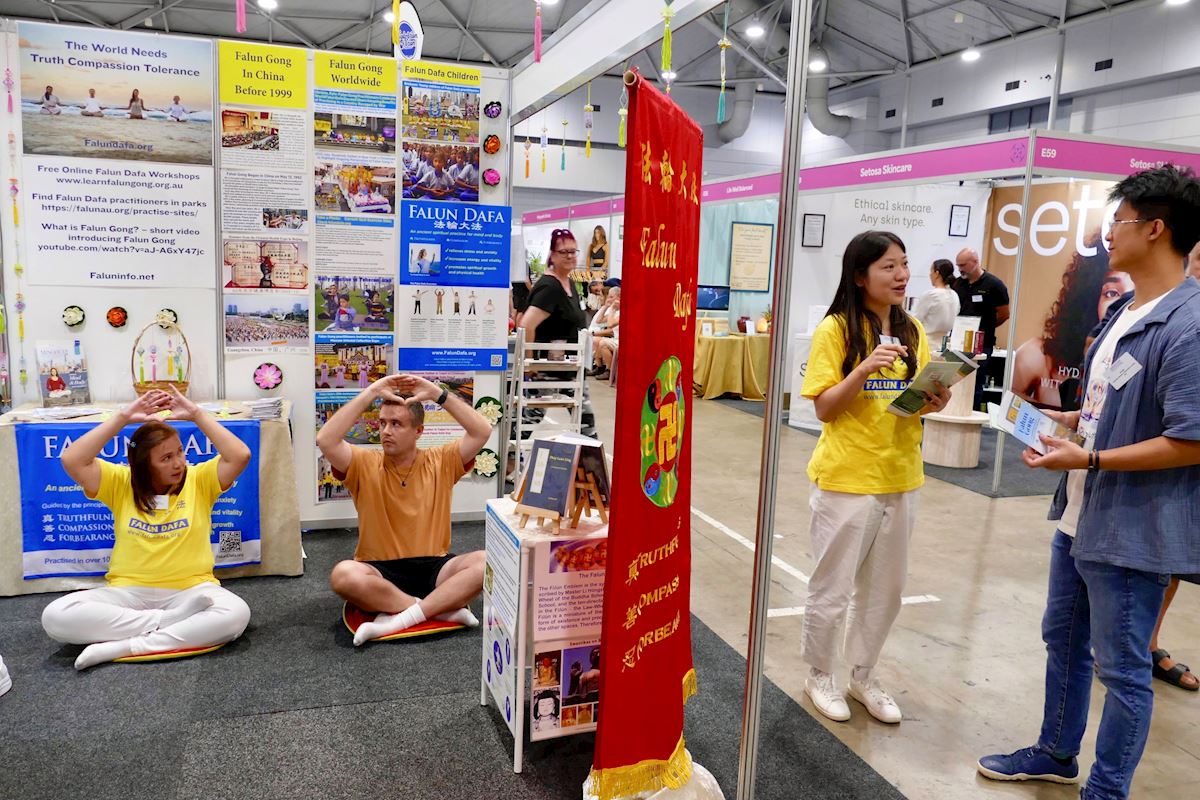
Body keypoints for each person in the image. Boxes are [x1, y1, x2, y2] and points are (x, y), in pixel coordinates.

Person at [978, 165, 1200, 797]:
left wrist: (1091, 460)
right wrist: (1073, 421)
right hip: (1083, 515)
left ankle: (1106, 790)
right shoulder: (1127, 309)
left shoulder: (1189, 325)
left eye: (1119, 220)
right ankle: (1056, 751)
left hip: (1132, 528)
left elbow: (1191, 439)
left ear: (1155, 229)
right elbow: (1119, 400)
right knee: (1064, 638)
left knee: (1122, 670)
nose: (1108, 232)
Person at [799, 230, 949, 725]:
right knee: (832, 588)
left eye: (904, 264)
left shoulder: (912, 329)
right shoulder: (836, 329)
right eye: (888, 266)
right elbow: (825, 408)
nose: (902, 274)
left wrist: (936, 398)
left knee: (886, 591)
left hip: (901, 475)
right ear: (860, 276)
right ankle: (820, 673)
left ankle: (863, 675)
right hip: (847, 478)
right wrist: (862, 370)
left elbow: (914, 402)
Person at [40, 388, 252, 670]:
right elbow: (72, 459)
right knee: (56, 616)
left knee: (236, 614)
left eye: (180, 452)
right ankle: (168, 624)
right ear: (144, 465)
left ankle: (125, 646)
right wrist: (124, 417)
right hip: (129, 594)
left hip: (191, 590)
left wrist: (196, 414)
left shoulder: (199, 479)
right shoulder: (120, 481)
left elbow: (240, 455)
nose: (179, 463)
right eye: (166, 458)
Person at [317, 373, 491, 645]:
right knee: (343, 576)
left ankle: (399, 619)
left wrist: (437, 393)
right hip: (379, 571)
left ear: (418, 431)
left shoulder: (441, 460)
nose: (386, 431)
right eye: (382, 423)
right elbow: (326, 439)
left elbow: (482, 431)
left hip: (434, 567)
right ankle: (435, 610)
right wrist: (372, 391)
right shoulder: (363, 462)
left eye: (396, 424)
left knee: (486, 562)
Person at [1011, 238, 1133, 410]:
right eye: (1111, 293)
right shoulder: (1037, 355)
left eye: (1134, 295)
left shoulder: (1138, 352)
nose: (1121, 306)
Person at [953, 247, 1010, 408]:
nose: (960, 269)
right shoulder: (958, 284)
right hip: (959, 341)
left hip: (982, 343)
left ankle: (972, 412)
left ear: (975, 262)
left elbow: (1004, 314)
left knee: (976, 383)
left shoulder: (994, 285)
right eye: (958, 265)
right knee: (955, 381)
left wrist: (986, 327)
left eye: (963, 265)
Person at [911, 259, 960, 348]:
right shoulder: (954, 295)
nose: (930, 275)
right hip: (945, 345)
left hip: (927, 344)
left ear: (936, 273)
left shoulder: (931, 295)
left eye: (931, 272)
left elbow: (916, 320)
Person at [588, 287, 620, 380]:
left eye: (611, 297)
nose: (609, 299)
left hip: (620, 340)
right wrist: (606, 306)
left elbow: (610, 325)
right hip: (615, 339)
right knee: (596, 341)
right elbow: (599, 321)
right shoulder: (615, 310)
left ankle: (609, 370)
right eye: (608, 297)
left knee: (603, 343)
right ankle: (599, 367)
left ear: (619, 297)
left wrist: (612, 309)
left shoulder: (622, 310)